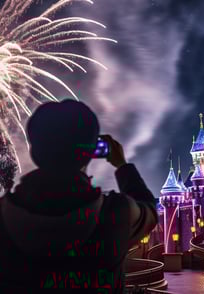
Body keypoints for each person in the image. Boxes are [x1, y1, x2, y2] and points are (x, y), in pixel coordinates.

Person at [0, 99, 158, 293]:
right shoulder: (116, 214)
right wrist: (122, 166)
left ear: (34, 151)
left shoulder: (3, 215)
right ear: (91, 152)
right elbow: (150, 209)